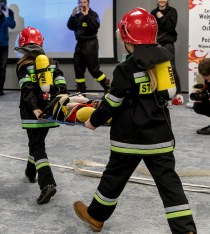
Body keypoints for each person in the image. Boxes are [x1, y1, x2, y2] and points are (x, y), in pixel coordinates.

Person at [73, 8, 197, 233]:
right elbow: (171, 92)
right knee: (170, 185)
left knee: (114, 178)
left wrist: (93, 121)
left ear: (125, 38)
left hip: (127, 139)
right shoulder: (164, 61)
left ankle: (96, 217)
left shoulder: (124, 69)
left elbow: (111, 103)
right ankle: (186, 230)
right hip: (159, 138)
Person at [14, 26, 69, 204]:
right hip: (50, 110)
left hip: (32, 113)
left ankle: (47, 184)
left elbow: (26, 89)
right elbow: (62, 87)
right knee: (37, 142)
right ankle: (30, 172)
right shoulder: (52, 63)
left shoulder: (23, 66)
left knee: (37, 146)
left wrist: (34, 108)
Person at [67, 0, 110, 93]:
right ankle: (81, 91)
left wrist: (86, 16)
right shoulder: (77, 16)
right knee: (78, 68)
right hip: (79, 44)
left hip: (91, 44)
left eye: (84, 2)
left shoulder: (93, 14)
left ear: (88, 4)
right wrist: (72, 16)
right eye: (80, 2)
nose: (82, 4)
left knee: (93, 69)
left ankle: (107, 87)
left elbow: (95, 26)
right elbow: (70, 26)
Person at [151, 0, 183, 105]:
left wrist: (161, 17)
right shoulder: (153, 13)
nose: (162, 0)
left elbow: (170, 27)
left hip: (168, 43)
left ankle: (178, 94)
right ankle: (158, 94)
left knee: (171, 67)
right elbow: (152, 29)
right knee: (156, 68)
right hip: (156, 43)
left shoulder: (172, 11)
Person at [192, 58, 210, 135]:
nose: (207, 80)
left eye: (208, 77)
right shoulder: (201, 75)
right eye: (204, 77)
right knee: (198, 106)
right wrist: (200, 92)